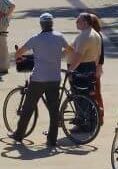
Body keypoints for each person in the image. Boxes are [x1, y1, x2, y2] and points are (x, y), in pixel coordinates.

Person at [11, 12, 72, 148]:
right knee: (53, 110)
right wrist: (58, 56)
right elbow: (70, 50)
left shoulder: (36, 38)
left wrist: (19, 58)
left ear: (41, 25)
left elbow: (19, 52)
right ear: (52, 24)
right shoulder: (59, 37)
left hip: (38, 78)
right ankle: (52, 140)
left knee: (28, 107)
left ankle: (19, 134)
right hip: (54, 78)